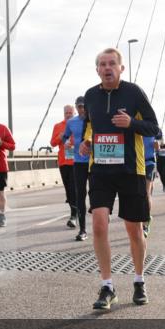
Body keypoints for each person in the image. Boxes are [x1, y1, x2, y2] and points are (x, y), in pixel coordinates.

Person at [77, 48, 161, 310]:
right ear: (97, 70)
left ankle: (139, 280)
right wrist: (86, 141)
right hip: (100, 169)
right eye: (102, 64)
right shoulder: (91, 95)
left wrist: (131, 124)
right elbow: (88, 125)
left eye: (112, 63)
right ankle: (107, 286)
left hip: (130, 170)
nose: (107, 68)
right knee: (99, 225)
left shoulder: (134, 92)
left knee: (134, 230)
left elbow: (153, 126)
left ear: (121, 68)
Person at [62, 97, 90, 241]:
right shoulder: (71, 122)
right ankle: (83, 230)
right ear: (76, 108)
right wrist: (66, 143)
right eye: (79, 107)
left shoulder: (94, 119)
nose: (82, 109)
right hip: (79, 162)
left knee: (95, 193)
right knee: (80, 195)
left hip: (93, 162)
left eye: (84, 106)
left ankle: (102, 220)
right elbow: (65, 137)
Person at [50, 104, 78, 228]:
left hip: (76, 161)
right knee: (68, 189)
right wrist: (59, 136)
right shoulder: (58, 126)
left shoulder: (78, 124)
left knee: (73, 187)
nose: (68, 114)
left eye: (70, 112)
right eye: (66, 112)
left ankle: (74, 215)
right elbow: (52, 143)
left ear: (74, 112)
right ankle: (75, 210)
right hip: (63, 161)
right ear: (63, 114)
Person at [143, 135, 157, 237]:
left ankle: (145, 222)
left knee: (146, 193)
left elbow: (160, 146)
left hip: (149, 162)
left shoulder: (153, 126)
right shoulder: (131, 121)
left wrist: (158, 146)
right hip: (133, 162)